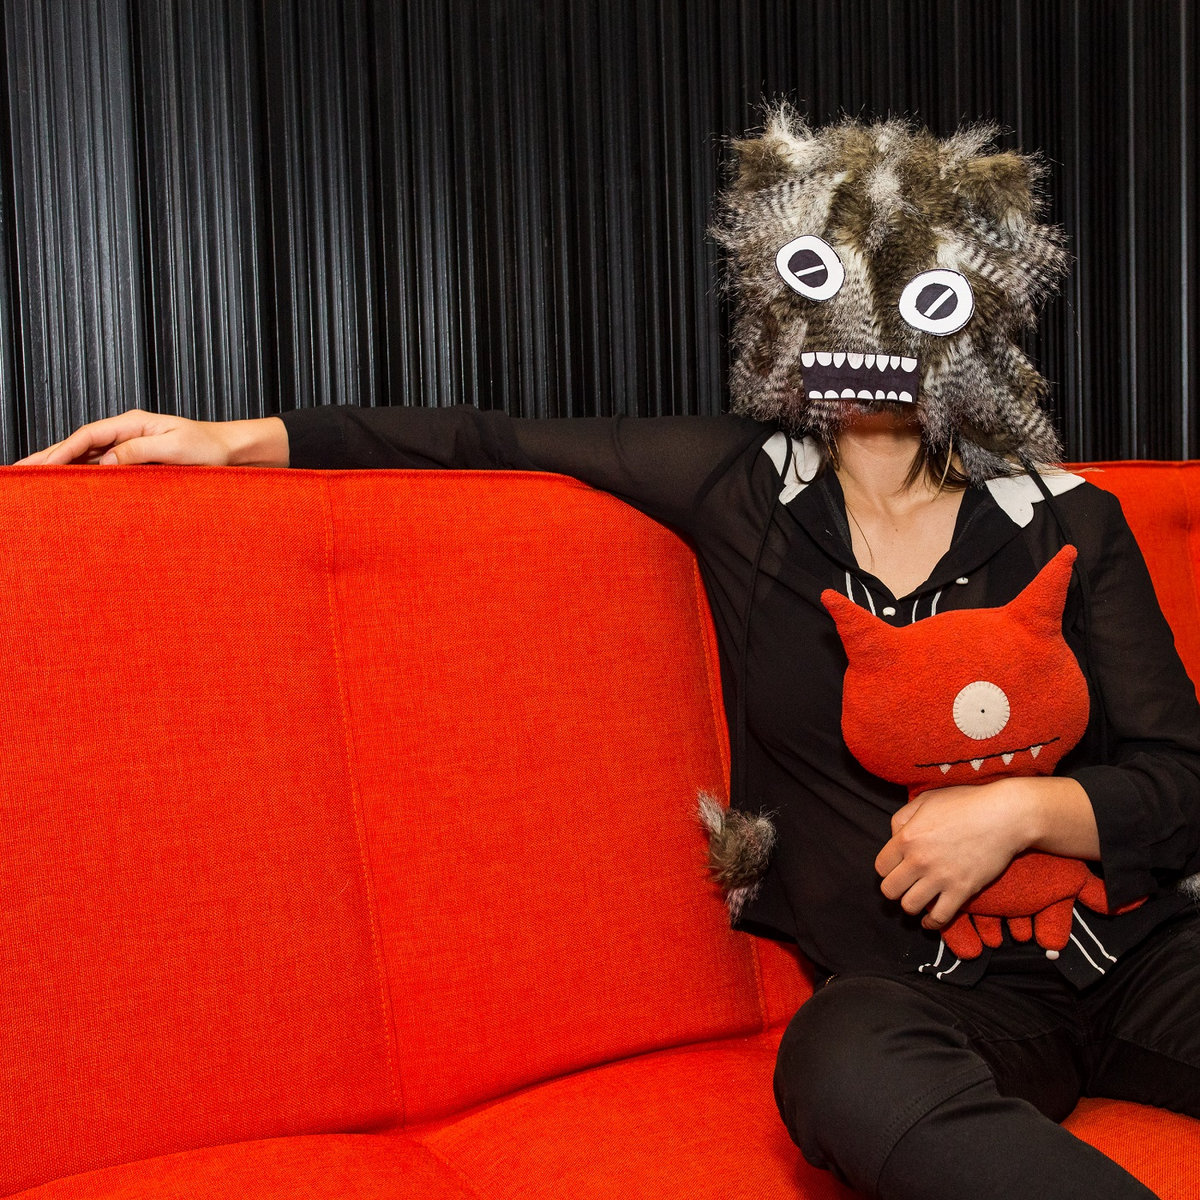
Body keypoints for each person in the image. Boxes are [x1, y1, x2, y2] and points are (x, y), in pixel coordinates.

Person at [16, 109, 1200, 1200]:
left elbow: (1182, 780)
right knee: (836, 1061)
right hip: (929, 1006)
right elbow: (481, 437)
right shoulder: (738, 488)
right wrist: (235, 442)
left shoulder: (1067, 517)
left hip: (1138, 953)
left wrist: (1027, 811)